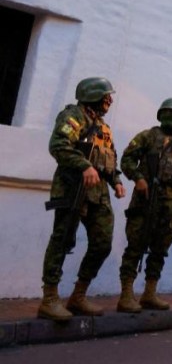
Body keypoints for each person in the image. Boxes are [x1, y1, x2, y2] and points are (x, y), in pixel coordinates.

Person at [38, 77, 126, 321]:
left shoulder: (104, 127)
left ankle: (78, 295)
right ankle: (50, 299)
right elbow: (58, 144)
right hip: (72, 190)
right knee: (62, 240)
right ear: (93, 94)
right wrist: (83, 165)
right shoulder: (73, 116)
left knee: (102, 243)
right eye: (106, 95)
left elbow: (110, 160)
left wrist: (117, 180)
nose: (109, 100)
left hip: (98, 195)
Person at [116, 98, 172, 312]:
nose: (170, 118)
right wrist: (138, 178)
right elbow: (126, 159)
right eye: (166, 113)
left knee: (160, 248)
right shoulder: (147, 136)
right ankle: (126, 294)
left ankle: (149, 293)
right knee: (136, 244)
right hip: (145, 198)